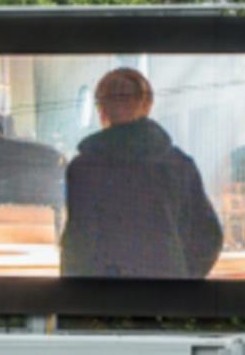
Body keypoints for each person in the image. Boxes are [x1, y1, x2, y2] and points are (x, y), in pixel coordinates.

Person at [60, 67, 223, 279]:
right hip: (164, 296)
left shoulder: (82, 170)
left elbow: (77, 246)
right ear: (147, 106)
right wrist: (181, 276)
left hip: (102, 297)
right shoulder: (179, 165)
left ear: (101, 110)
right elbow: (208, 238)